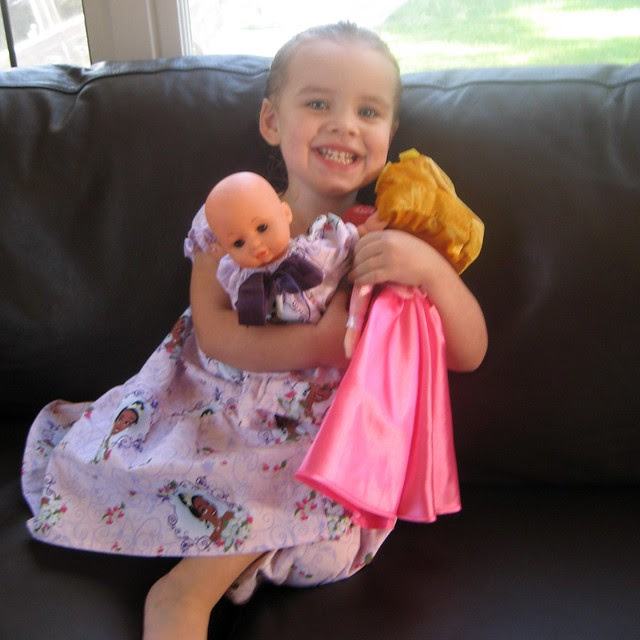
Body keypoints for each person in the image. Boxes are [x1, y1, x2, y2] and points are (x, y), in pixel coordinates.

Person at [20, 22, 487, 640]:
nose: (344, 125)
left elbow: (469, 351)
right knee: (172, 462)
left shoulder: (385, 238)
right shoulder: (232, 214)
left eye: (368, 112)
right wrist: (320, 343)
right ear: (271, 121)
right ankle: (184, 597)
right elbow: (213, 333)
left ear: (389, 134)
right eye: (317, 103)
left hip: (322, 439)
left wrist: (428, 267)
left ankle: (197, 580)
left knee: (297, 485)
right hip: (215, 402)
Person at [203, 170, 385, 327]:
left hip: (320, 332)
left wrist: (364, 230)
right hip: (272, 346)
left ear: (286, 214)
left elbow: (341, 245)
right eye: (238, 243)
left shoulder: (310, 254)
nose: (255, 244)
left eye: (262, 228)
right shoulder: (241, 279)